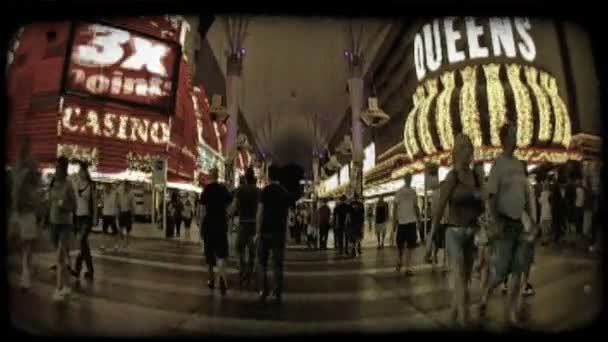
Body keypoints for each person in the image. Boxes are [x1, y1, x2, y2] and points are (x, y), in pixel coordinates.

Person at [479, 123, 538, 325]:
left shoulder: (518, 165)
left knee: (517, 270)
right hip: (504, 224)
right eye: (512, 135)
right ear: (504, 139)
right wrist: (496, 222)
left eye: (515, 134)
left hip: (519, 224)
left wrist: (531, 219)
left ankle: (512, 312)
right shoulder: (499, 165)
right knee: (501, 271)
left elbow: (525, 195)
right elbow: (491, 197)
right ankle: (486, 292)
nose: (516, 138)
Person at [426, 133, 483, 327]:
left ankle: (453, 312)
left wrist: (482, 197)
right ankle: (464, 318)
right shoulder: (453, 176)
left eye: (470, 146)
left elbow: (484, 203)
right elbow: (440, 207)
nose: (468, 150)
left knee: (465, 279)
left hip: (472, 233)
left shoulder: (476, 176)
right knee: (459, 277)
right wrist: (430, 239)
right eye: (464, 147)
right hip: (454, 233)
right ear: (457, 152)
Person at [256, 165, 291, 303]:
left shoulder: (264, 191)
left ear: (268, 176)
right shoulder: (284, 192)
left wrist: (258, 232)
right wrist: (287, 234)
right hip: (279, 233)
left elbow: (260, 212)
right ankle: (277, 293)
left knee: (262, 263)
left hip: (265, 232)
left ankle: (263, 291)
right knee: (278, 264)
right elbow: (287, 216)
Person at [11, 137, 41, 290]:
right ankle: (26, 270)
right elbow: (16, 187)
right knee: (22, 243)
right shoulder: (19, 165)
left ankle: (26, 274)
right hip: (20, 209)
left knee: (26, 244)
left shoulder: (30, 165)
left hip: (26, 210)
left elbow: (36, 185)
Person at [199, 167, 232, 295]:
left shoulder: (206, 190)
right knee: (222, 254)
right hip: (221, 225)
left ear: (209, 176)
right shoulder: (223, 189)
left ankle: (211, 280)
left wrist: (201, 226)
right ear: (218, 176)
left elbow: (202, 212)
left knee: (209, 255)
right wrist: (226, 216)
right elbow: (230, 204)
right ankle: (222, 278)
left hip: (208, 226)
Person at [48, 157, 77, 301]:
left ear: (65, 170)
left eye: (59, 168)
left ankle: (58, 288)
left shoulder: (69, 185)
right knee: (62, 258)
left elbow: (74, 206)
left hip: (65, 225)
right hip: (53, 223)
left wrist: (65, 207)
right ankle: (67, 285)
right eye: (56, 167)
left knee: (59, 256)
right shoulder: (52, 182)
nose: (57, 170)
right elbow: (50, 201)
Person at [232, 167, 259, 288]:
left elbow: (234, 206)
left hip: (243, 224)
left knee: (239, 248)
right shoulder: (259, 191)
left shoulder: (240, 190)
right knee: (253, 251)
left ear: (245, 178)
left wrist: (229, 215)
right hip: (254, 224)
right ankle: (250, 269)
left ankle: (242, 268)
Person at [393, 174, 420, 276]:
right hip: (402, 223)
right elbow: (395, 208)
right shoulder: (399, 192)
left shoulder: (413, 192)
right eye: (407, 178)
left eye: (410, 178)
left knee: (410, 246)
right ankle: (399, 260)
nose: (409, 180)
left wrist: (419, 220)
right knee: (400, 246)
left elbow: (416, 207)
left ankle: (408, 267)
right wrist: (394, 223)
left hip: (411, 222)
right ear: (404, 179)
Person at [73, 162, 95, 280]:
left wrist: (95, 217)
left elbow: (95, 203)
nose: (80, 172)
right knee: (83, 245)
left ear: (86, 172)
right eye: (79, 170)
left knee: (82, 241)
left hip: (87, 217)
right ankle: (90, 270)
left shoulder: (91, 185)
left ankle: (78, 268)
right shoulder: (76, 183)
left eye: (82, 170)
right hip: (77, 217)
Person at [100, 183, 119, 252]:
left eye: (107, 187)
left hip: (112, 214)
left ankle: (116, 245)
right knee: (104, 231)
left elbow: (116, 203)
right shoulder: (103, 194)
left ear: (110, 187)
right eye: (105, 187)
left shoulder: (114, 194)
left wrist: (116, 213)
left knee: (114, 231)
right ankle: (103, 245)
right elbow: (102, 202)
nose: (106, 188)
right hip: (105, 213)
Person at [117, 181, 134, 252]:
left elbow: (132, 205)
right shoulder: (120, 192)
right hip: (121, 212)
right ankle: (122, 244)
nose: (126, 187)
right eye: (125, 185)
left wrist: (133, 215)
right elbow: (118, 203)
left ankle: (126, 246)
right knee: (120, 230)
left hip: (128, 213)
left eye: (128, 186)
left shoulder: (131, 194)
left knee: (127, 231)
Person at [346, 193, 365, 257]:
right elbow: (362, 215)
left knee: (353, 237)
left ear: (354, 197)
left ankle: (353, 250)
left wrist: (347, 222)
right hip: (359, 223)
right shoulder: (361, 204)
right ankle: (359, 248)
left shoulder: (350, 204)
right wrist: (362, 223)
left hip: (352, 223)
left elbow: (348, 215)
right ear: (358, 197)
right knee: (359, 236)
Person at [539, 179, 553, 246]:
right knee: (548, 228)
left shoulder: (543, 193)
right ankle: (547, 240)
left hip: (544, 212)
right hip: (549, 212)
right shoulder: (550, 193)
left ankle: (544, 241)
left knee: (543, 228)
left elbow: (540, 201)